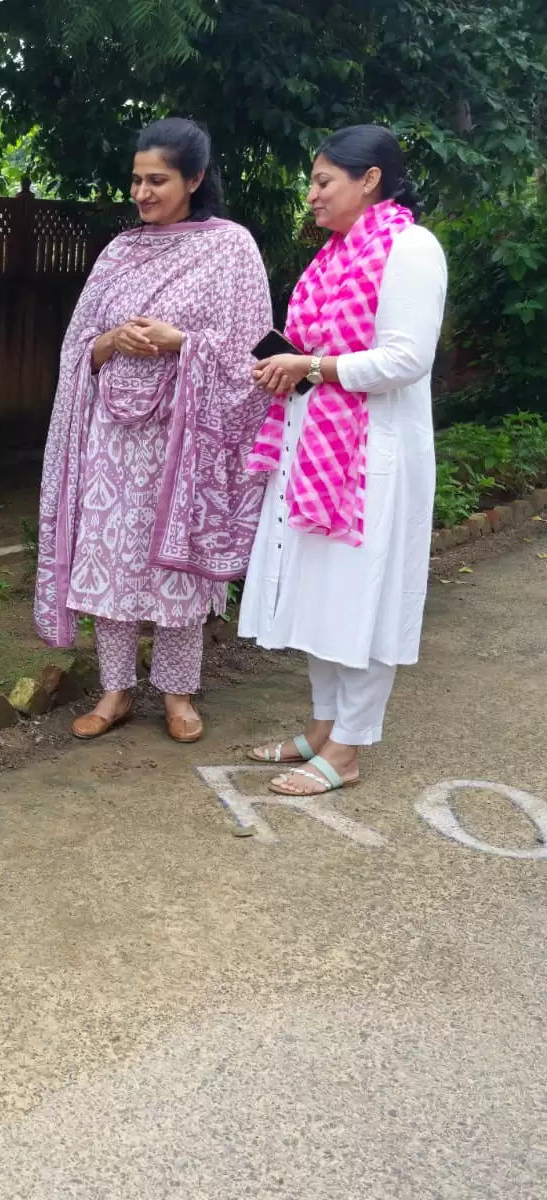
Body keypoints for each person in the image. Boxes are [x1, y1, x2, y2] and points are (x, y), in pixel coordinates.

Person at [35, 118, 272, 744]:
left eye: (157, 180)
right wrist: (112, 340)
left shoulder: (230, 248)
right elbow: (76, 353)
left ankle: (178, 695)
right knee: (108, 560)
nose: (142, 193)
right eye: (136, 180)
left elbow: (252, 355)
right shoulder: (120, 252)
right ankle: (114, 692)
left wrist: (180, 342)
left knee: (175, 569)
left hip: (183, 442)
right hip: (111, 440)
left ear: (194, 179)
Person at [242, 125, 447, 795]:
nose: (312, 195)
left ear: (370, 180)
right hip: (319, 450)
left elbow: (405, 359)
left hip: (372, 457)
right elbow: (313, 347)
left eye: (323, 181)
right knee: (320, 596)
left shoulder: (410, 249)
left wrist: (313, 365)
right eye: (312, 181)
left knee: (363, 598)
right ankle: (324, 727)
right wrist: (286, 366)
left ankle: (350, 749)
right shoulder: (333, 256)